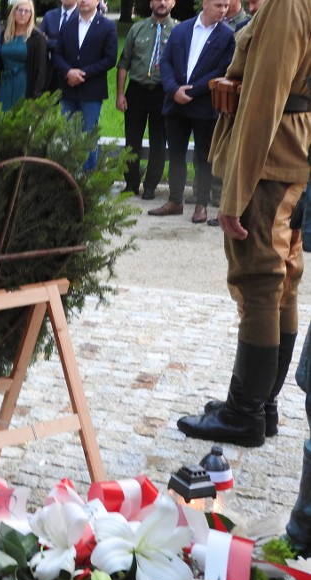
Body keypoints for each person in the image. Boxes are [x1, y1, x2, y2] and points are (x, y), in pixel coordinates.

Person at [177, 0, 310, 450]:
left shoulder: (289, 4)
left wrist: (235, 192)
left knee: (259, 279)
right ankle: (262, 402)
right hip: (290, 155)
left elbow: (263, 101)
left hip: (270, 161)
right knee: (282, 280)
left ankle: (245, 412)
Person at [146, 0, 233, 223]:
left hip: (203, 105)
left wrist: (193, 90)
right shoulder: (180, 29)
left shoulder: (226, 36)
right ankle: (175, 201)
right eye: (218, 5)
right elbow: (165, 62)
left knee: (203, 157)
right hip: (175, 103)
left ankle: (201, 204)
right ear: (204, 4)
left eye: (226, 6)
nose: (223, 10)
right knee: (175, 153)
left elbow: (221, 69)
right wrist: (173, 89)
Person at [115, 0, 176, 199]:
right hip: (137, 91)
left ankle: (151, 186)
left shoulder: (179, 30)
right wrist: (120, 94)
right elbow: (124, 63)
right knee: (132, 140)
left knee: (159, 141)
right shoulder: (137, 29)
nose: (162, 2)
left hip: (162, 93)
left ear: (173, 3)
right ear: (151, 3)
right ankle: (131, 183)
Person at [52, 0, 118, 171]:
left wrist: (82, 74)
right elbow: (57, 54)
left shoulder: (107, 26)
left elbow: (110, 59)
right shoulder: (67, 25)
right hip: (68, 90)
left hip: (92, 91)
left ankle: (87, 178)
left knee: (89, 135)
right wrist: (68, 72)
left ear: (98, 1)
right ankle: (69, 174)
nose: (83, 1)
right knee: (68, 135)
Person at [0, 0, 47, 111]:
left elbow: (41, 69)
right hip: (5, 83)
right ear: (14, 12)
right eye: (20, 10)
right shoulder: (5, 35)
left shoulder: (37, 38)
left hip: (24, 85)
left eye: (27, 11)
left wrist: (36, 95)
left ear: (31, 15)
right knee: (2, 118)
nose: (23, 14)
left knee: (20, 121)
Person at [38, 0, 77, 93]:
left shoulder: (82, 16)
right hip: (49, 68)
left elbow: (78, 43)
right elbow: (39, 41)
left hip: (72, 69)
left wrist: (50, 41)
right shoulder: (49, 15)